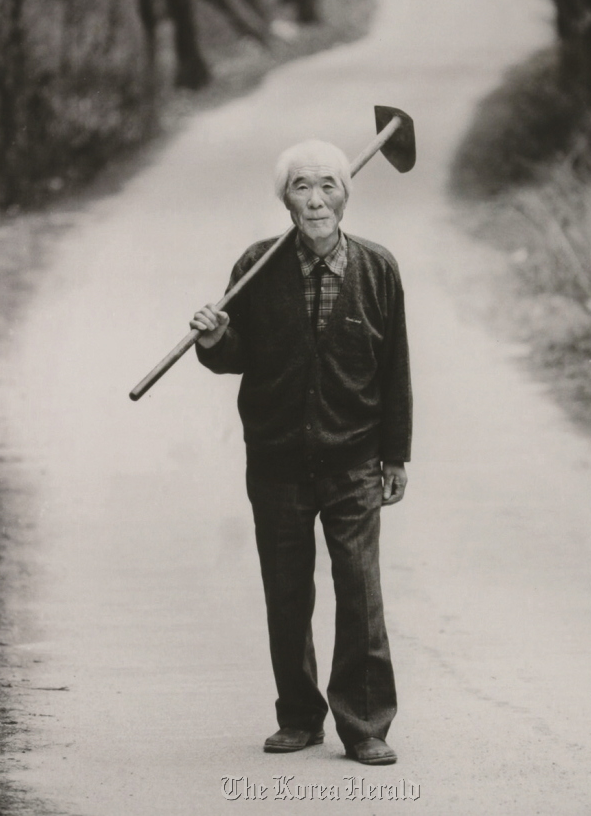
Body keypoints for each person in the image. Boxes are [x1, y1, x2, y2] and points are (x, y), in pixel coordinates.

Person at [190, 139, 412, 766]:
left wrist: (395, 455)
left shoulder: (378, 269)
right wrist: (215, 339)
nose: (315, 200)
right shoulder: (257, 267)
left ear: (347, 194)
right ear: (284, 199)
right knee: (286, 592)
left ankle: (366, 725)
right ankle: (298, 717)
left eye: (327, 186)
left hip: (354, 460)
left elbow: (395, 371)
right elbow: (235, 359)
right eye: (300, 187)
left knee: (359, 591)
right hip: (277, 460)